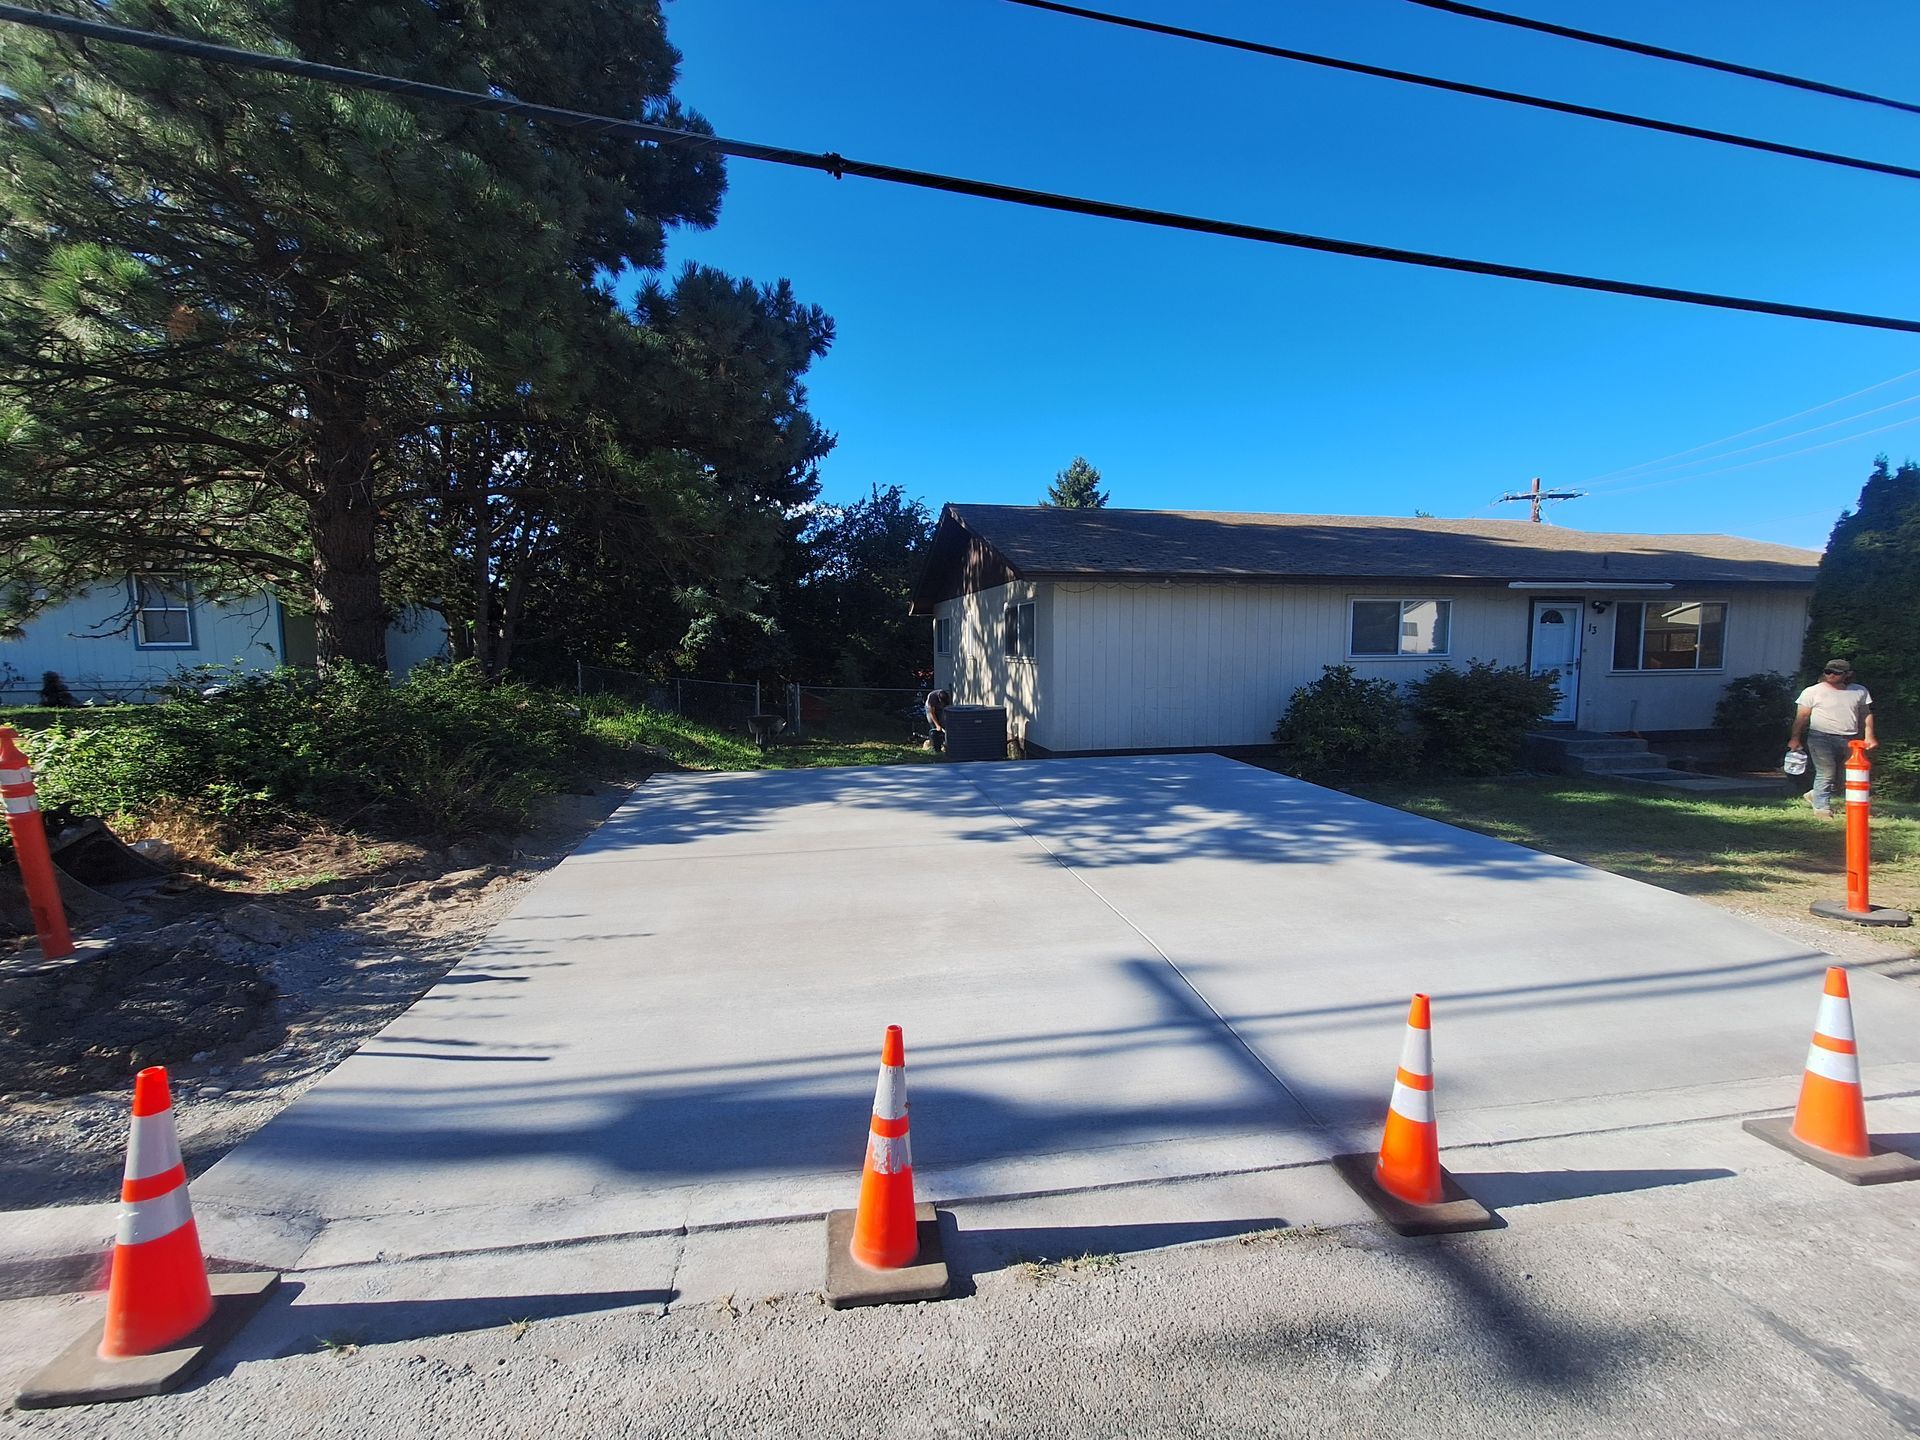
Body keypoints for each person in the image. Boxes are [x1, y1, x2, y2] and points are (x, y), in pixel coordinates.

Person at [1788, 659, 1877, 819]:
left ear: (1847, 674)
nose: (1831, 675)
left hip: (1850, 738)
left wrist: (1869, 735)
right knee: (1826, 772)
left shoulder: (1859, 691)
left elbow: (1865, 714)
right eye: (1828, 672)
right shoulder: (1812, 691)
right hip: (1820, 737)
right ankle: (1822, 808)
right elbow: (1801, 717)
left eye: (1836, 673)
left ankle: (1816, 794)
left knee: (1846, 775)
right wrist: (1795, 739)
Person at [923, 688, 952, 754]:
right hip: (930, 710)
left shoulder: (946, 697)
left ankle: (946, 745)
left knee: (944, 724)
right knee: (934, 727)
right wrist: (937, 725)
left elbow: (947, 710)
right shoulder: (932, 697)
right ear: (939, 698)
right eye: (941, 702)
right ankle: (936, 748)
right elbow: (932, 713)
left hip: (940, 710)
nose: (942, 704)